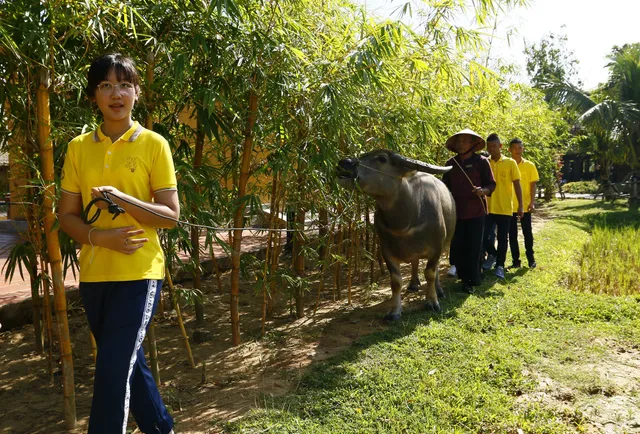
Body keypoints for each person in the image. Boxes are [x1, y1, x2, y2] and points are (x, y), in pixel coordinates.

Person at [58, 54, 177, 434]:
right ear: (94, 95)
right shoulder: (78, 147)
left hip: (140, 273)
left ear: (137, 93)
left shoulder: (154, 144)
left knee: (111, 368)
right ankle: (162, 429)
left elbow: (170, 216)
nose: (116, 93)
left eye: (124, 85)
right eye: (106, 85)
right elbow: (67, 216)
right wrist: (101, 237)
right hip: (95, 275)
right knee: (128, 363)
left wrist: (122, 199)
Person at [442, 129, 496, 293]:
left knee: (474, 246)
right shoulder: (450, 163)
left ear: (473, 144)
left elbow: (491, 184)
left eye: (464, 141)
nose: (461, 144)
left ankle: (471, 280)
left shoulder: (481, 162)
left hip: (476, 211)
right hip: (456, 212)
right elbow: (444, 188)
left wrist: (484, 191)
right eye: (458, 141)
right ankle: (463, 275)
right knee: (459, 245)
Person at [482, 133, 523, 280]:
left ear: (500, 146)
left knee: (502, 238)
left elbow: (517, 184)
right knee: (482, 235)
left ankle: (500, 265)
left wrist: (521, 205)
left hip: (505, 207)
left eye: (494, 146)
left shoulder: (510, 162)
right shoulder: (484, 162)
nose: (492, 149)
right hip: (488, 207)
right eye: (489, 147)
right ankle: (492, 254)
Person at [508, 138, 539, 268]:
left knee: (528, 233)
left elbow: (533, 185)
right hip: (509, 206)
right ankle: (516, 261)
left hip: (525, 206)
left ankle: (531, 259)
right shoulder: (507, 165)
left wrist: (532, 202)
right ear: (509, 150)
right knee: (512, 235)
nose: (517, 150)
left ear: (523, 149)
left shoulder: (530, 165)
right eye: (515, 148)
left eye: (520, 148)